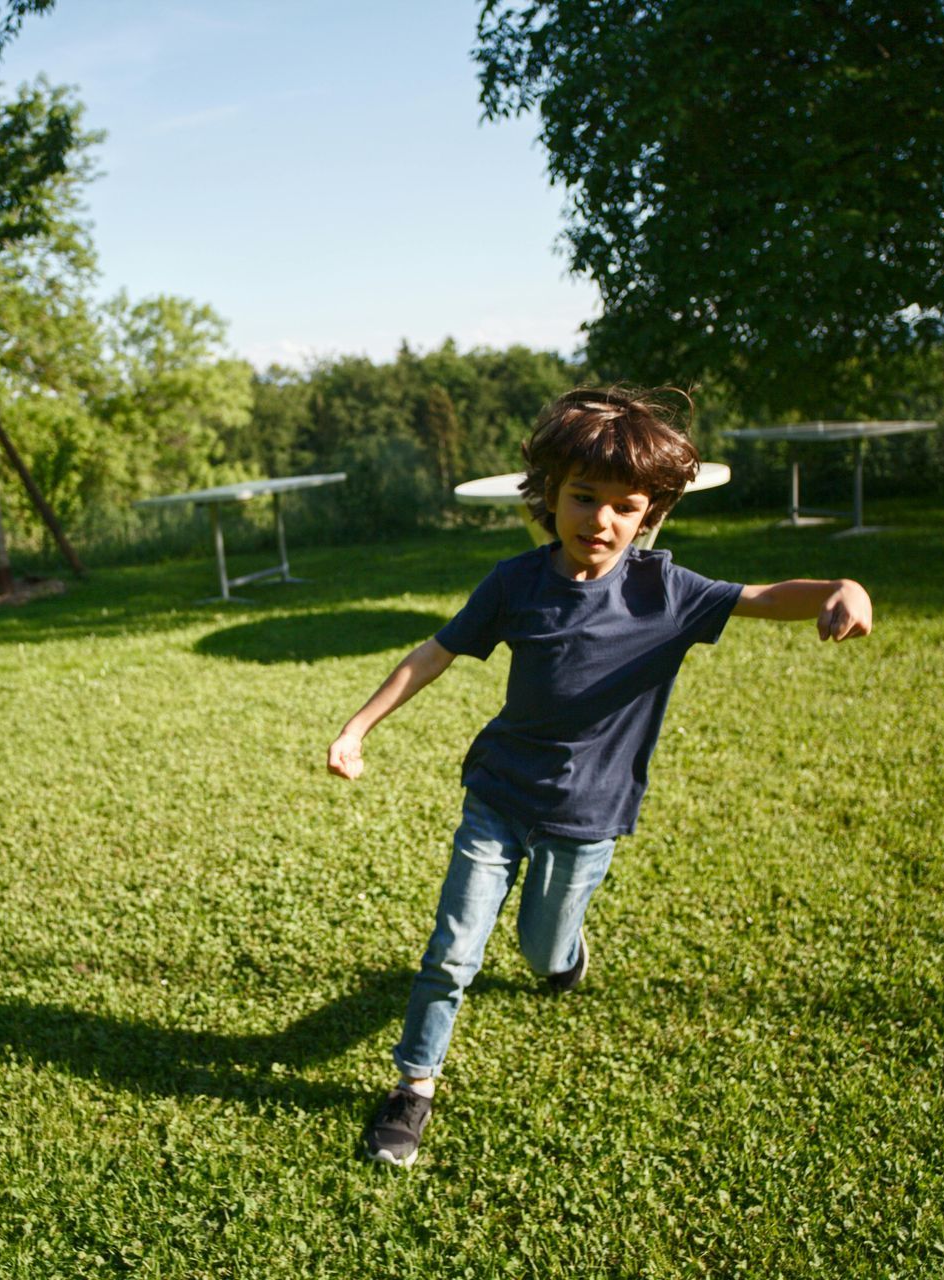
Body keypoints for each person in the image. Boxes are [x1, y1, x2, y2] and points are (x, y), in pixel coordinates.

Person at [327, 386, 873, 1168]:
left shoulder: (666, 592)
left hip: (588, 813)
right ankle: (414, 1088)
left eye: (625, 506)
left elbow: (762, 597)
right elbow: (435, 653)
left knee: (542, 951)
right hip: (500, 795)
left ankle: (565, 955)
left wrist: (838, 590)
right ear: (550, 494)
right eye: (584, 497)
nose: (601, 520)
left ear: (648, 515)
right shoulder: (515, 582)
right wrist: (356, 726)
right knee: (453, 949)